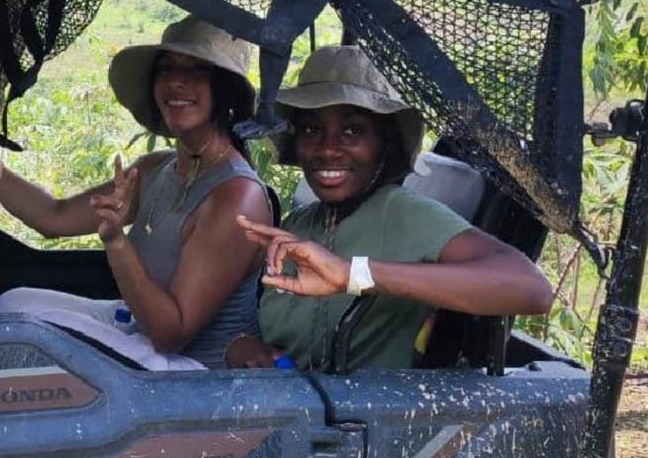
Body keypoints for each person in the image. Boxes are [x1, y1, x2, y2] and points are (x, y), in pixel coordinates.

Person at [225, 46, 552, 371]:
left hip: (364, 418)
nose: (328, 148)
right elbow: (284, 342)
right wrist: (246, 346)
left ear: (385, 142)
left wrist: (352, 275)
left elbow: (532, 289)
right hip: (289, 408)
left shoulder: (403, 214)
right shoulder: (300, 223)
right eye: (312, 129)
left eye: (353, 130)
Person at [0, 15, 271, 370]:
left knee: (11, 332)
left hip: (192, 374)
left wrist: (117, 241)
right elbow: (53, 217)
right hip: (138, 332)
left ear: (226, 89)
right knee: (11, 304)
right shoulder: (156, 169)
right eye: (166, 69)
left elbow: (170, 333)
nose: (177, 82)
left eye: (197, 71)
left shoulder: (236, 197)